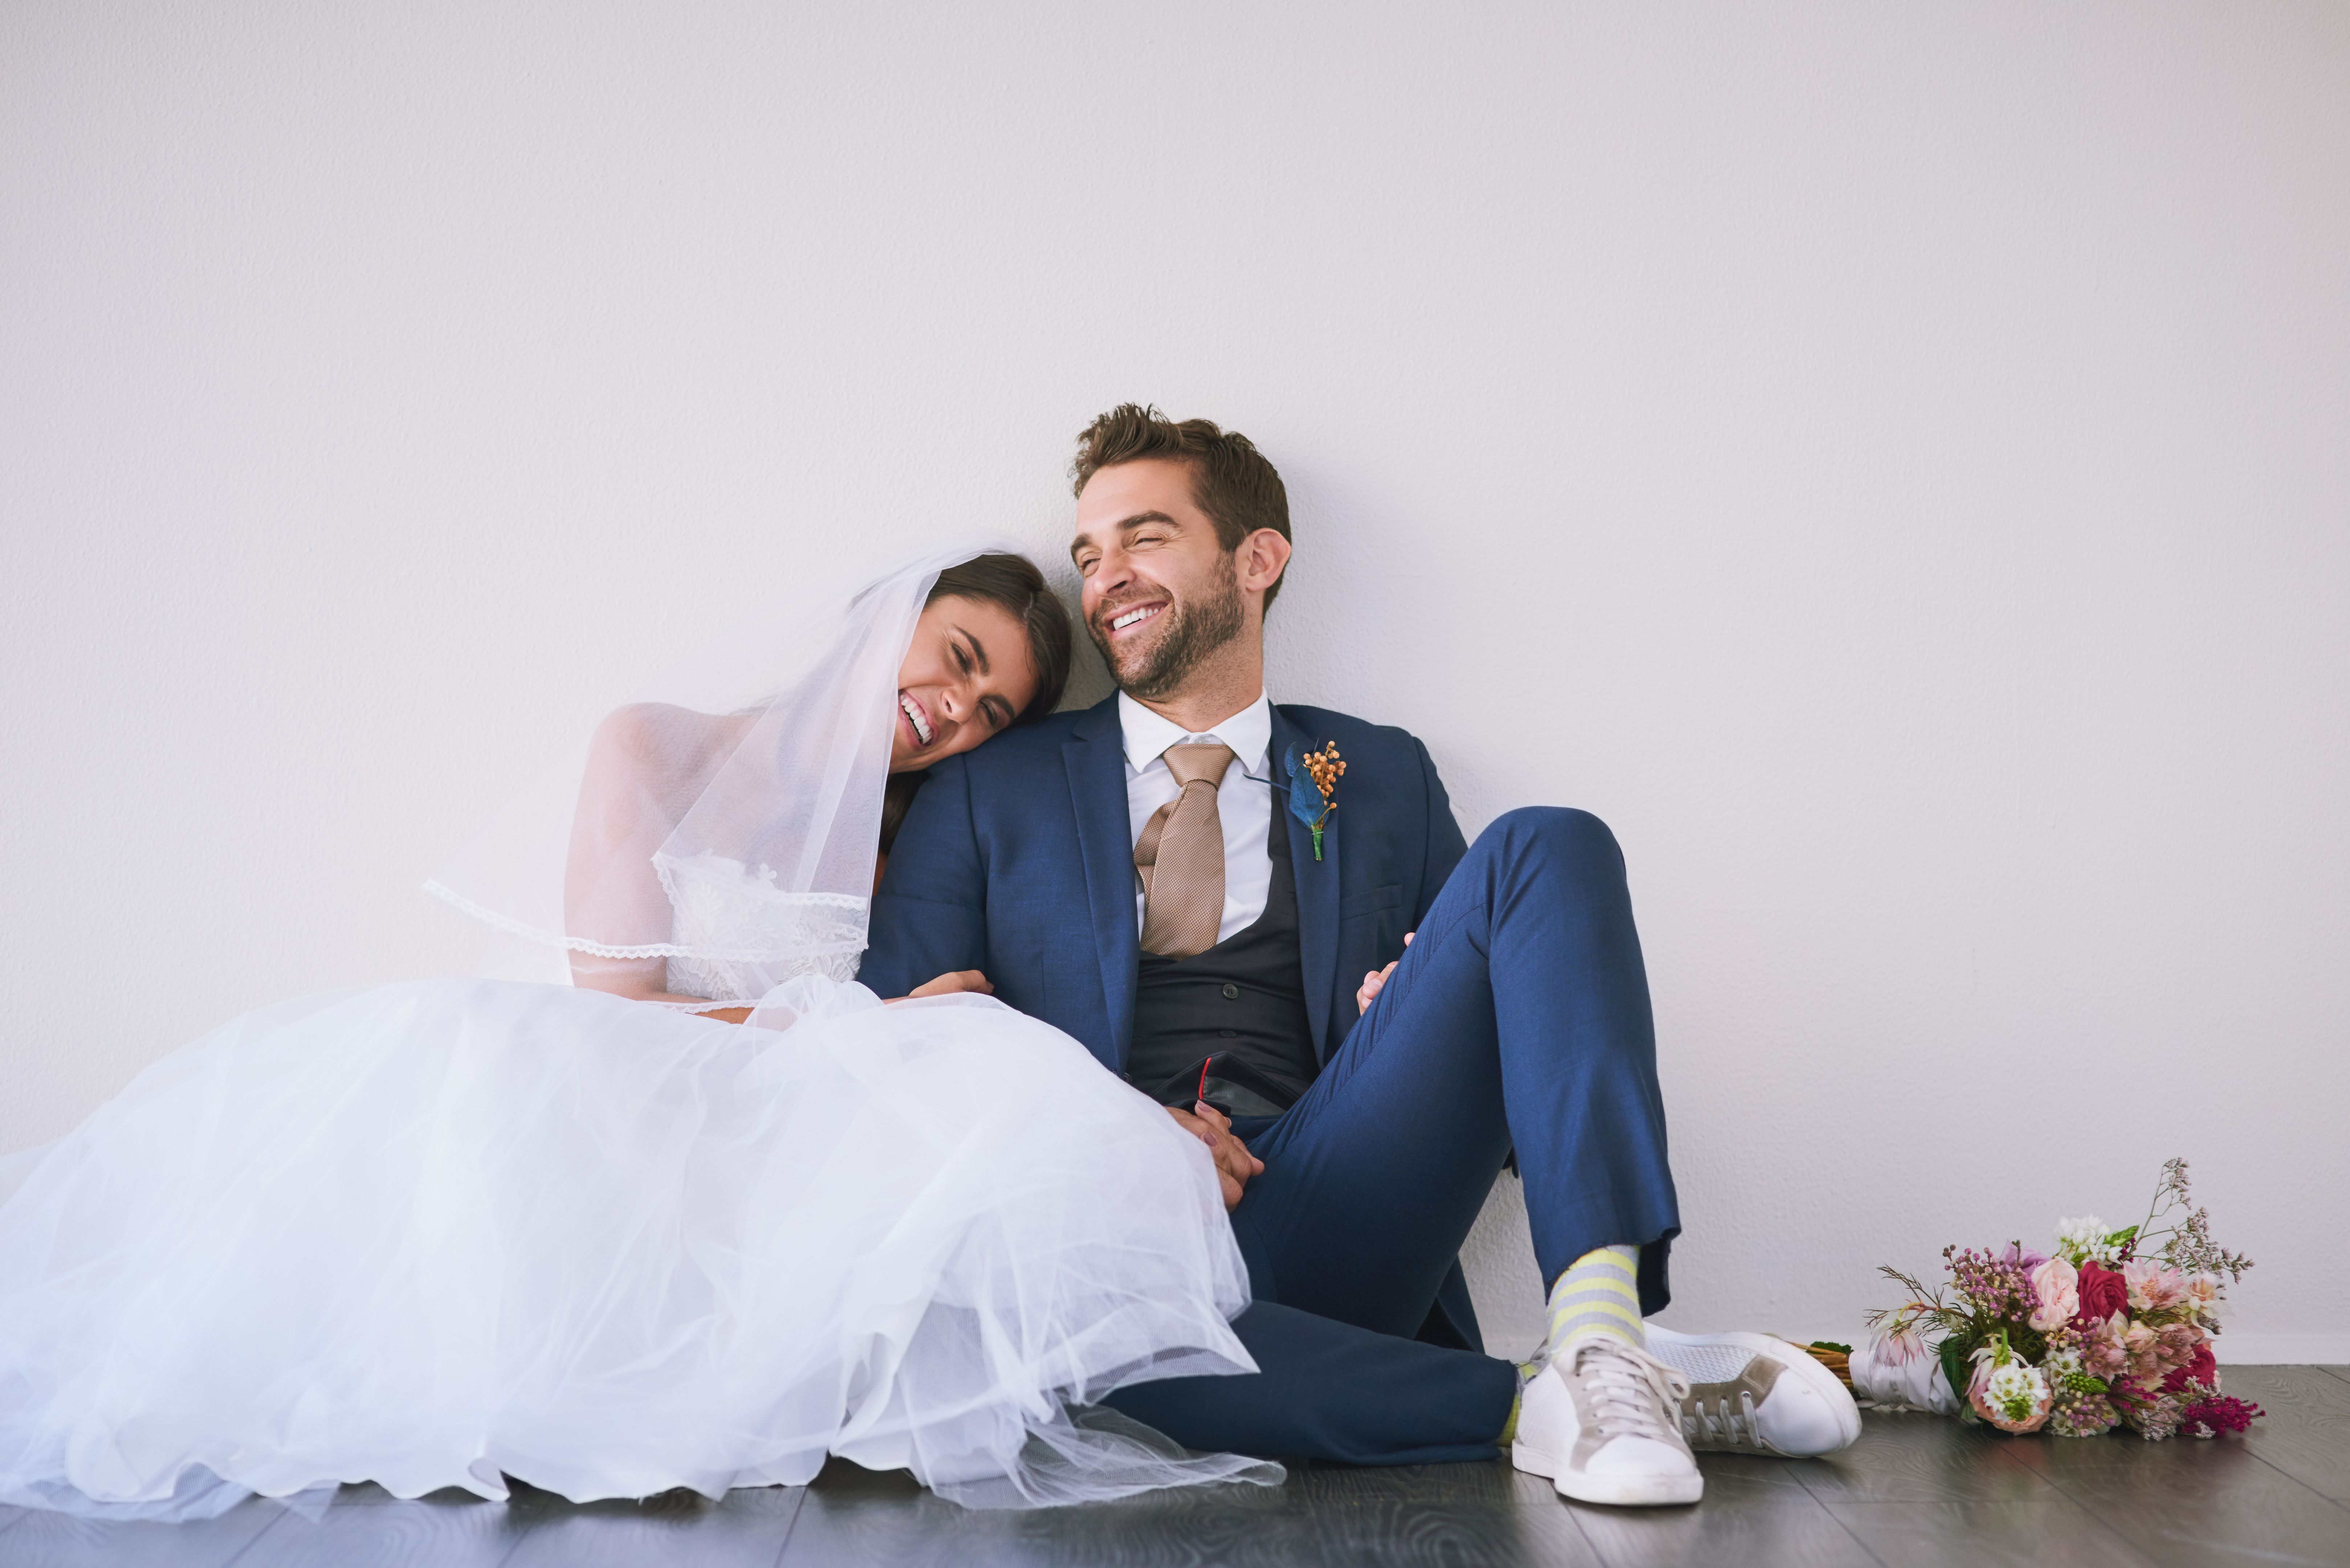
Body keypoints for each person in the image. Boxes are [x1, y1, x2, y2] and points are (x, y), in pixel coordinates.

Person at [0, 547, 1282, 1520]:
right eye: (951, 657)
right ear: (883, 624)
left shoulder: (907, 847)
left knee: (975, 1055)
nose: (953, 708)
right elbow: (610, 1014)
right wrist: (862, 1025)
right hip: (618, 1090)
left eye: (990, 708)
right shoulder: (659, 747)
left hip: (777, 1133)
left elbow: (957, 1010)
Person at [861, 409, 1862, 1508]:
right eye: (1089, 555)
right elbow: (894, 1060)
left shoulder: (1378, 770)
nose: (1105, 579)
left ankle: (1599, 1328)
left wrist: (1431, 1008)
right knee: (1062, 1369)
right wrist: (1117, 1136)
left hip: (1343, 1198)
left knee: (1550, 844)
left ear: (1257, 559)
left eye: (1143, 539)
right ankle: (1561, 1398)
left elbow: (1525, 1024)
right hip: (1110, 1257)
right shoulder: (985, 788)